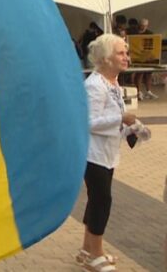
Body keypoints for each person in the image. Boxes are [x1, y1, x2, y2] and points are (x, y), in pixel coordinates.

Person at [76, 34, 138, 271]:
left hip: (108, 154)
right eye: (121, 53)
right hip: (94, 156)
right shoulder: (94, 85)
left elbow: (111, 119)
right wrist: (120, 118)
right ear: (105, 58)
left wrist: (129, 127)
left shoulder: (113, 83)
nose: (126, 58)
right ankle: (96, 254)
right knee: (102, 202)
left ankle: (86, 249)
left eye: (126, 53)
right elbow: (89, 121)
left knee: (96, 201)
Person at [132, 18, 158, 101]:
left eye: (145, 26)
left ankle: (148, 91)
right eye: (142, 26)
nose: (143, 27)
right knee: (139, 74)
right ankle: (138, 91)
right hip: (137, 57)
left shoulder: (150, 33)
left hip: (147, 57)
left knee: (148, 74)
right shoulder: (134, 33)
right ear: (139, 25)